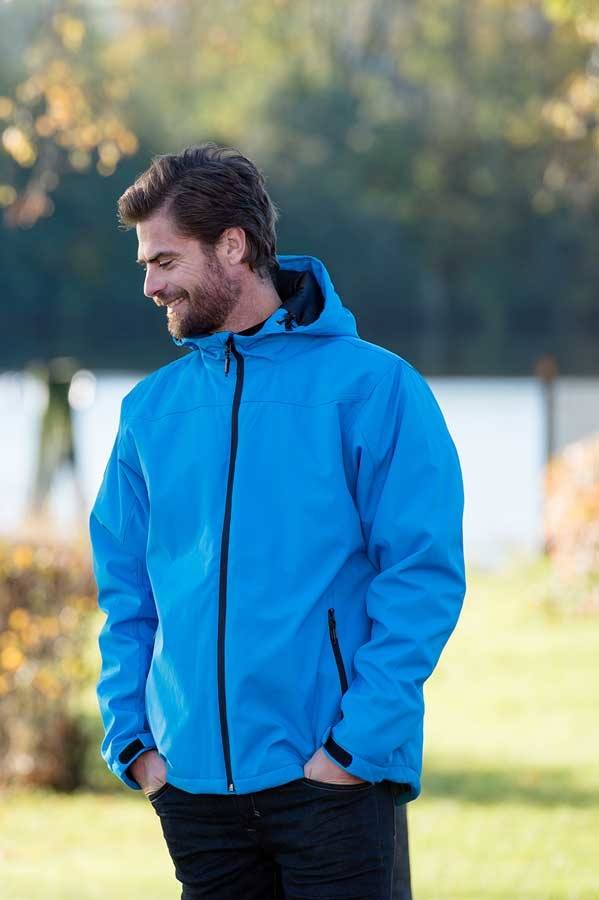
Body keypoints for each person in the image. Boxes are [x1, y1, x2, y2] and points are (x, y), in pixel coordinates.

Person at [89, 142, 466, 900]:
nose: (150, 285)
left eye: (164, 260)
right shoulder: (150, 412)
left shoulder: (375, 388)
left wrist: (354, 748)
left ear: (233, 245)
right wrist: (133, 742)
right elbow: (126, 592)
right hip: (193, 792)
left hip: (332, 783)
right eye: (145, 265)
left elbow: (421, 579)